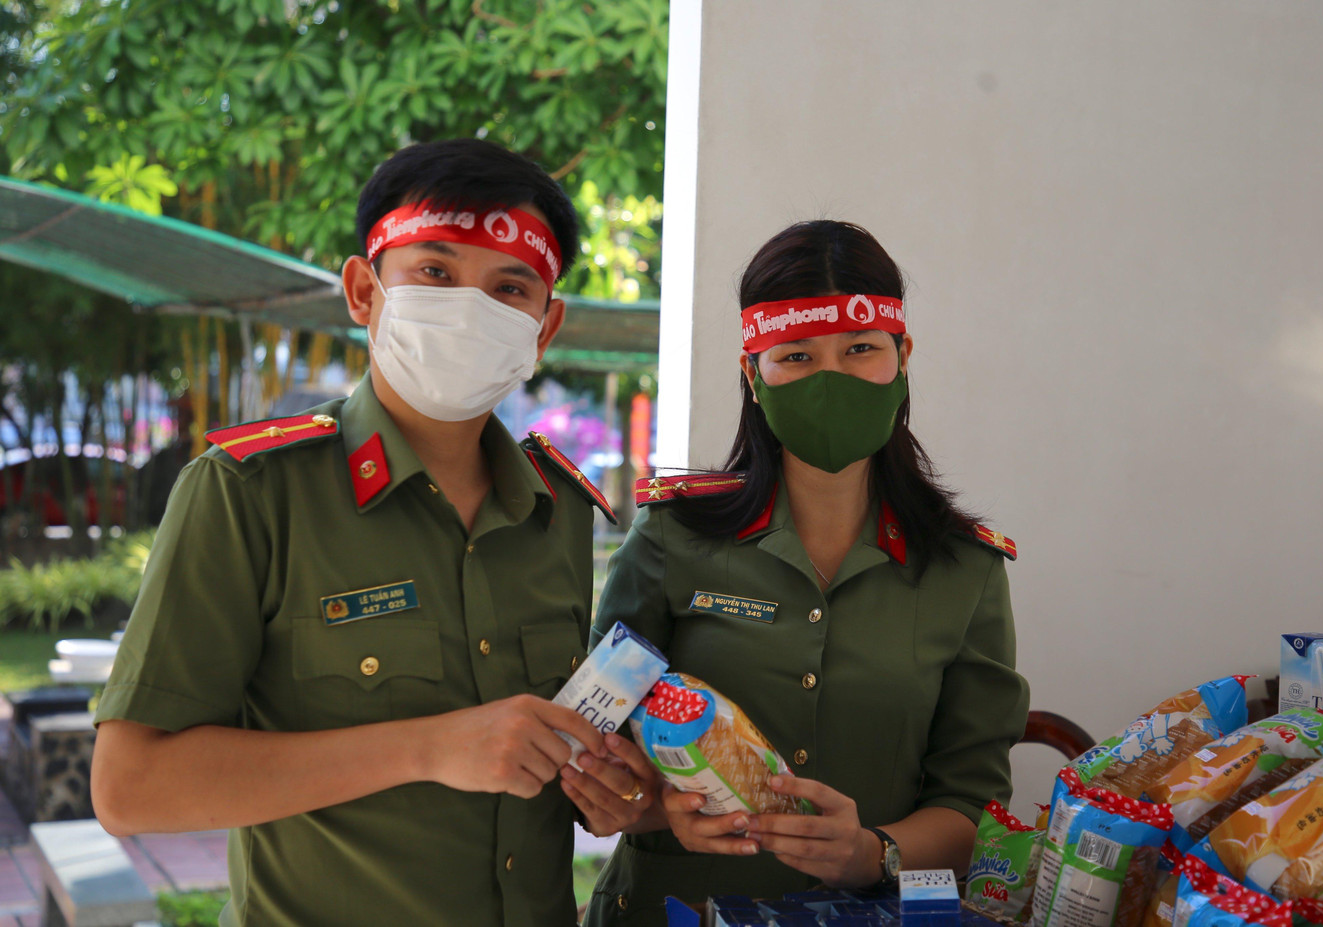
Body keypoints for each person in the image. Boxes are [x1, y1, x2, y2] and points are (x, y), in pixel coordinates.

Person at [90, 139, 655, 926]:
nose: (469, 307)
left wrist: (608, 791)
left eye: (509, 287)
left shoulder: (555, 509)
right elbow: (130, 787)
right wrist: (429, 747)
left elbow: (538, 766)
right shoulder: (251, 491)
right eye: (434, 272)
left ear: (545, 326)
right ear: (364, 290)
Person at [582, 220, 1030, 923]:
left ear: (902, 355)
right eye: (795, 355)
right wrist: (657, 808)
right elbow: (595, 747)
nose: (832, 379)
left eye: (860, 349)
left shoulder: (964, 569)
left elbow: (974, 805)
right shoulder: (672, 537)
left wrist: (872, 851)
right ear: (753, 375)